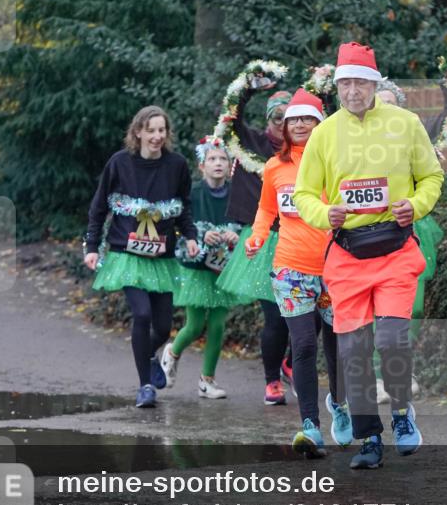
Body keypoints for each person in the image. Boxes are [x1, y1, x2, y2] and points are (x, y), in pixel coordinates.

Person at [294, 42, 444, 469]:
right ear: (337, 87)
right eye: (345, 84)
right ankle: (370, 440)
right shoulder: (324, 134)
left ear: (374, 85)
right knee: (354, 352)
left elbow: (431, 177)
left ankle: (402, 414)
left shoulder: (405, 123)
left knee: (392, 339)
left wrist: (415, 205)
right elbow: (304, 194)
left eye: (360, 82)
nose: (353, 91)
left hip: (395, 249)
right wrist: (325, 214)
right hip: (347, 255)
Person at [246, 89, 352, 458]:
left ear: (321, 124)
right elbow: (266, 209)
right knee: (304, 344)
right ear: (285, 126)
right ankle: (310, 426)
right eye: (294, 119)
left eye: (308, 118)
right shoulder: (275, 167)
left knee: (336, 346)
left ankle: (338, 402)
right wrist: (258, 237)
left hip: (334, 267)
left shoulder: (336, 163)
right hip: (291, 269)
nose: (301, 124)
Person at [84, 106, 198, 408]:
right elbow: (99, 207)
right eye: (151, 131)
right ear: (138, 132)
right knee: (142, 314)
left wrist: (190, 236)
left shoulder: (176, 165)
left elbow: (184, 206)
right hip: (127, 254)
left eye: (162, 130)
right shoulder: (120, 163)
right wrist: (92, 246)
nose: (157, 136)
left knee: (162, 327)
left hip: (161, 257)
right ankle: (144, 386)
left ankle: (148, 355)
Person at [371, 69, 447, 403]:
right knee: (380, 309)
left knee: (414, 306)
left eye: (392, 103)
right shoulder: (357, 144)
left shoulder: (416, 137)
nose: (387, 109)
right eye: (380, 103)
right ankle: (377, 374)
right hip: (373, 230)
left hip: (413, 228)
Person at [216, 86, 296, 405]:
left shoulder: (306, 147)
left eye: (288, 117)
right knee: (276, 317)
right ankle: (272, 381)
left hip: (301, 239)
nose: (282, 123)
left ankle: (291, 362)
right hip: (265, 242)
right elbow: (231, 120)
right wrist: (247, 87)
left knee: (313, 314)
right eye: (276, 116)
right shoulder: (253, 143)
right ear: (268, 118)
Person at [159, 136, 249, 399]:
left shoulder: (237, 193)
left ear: (230, 166)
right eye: (212, 159)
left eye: (223, 159)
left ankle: (206, 380)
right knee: (195, 325)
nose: (217, 163)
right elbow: (178, 223)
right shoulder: (193, 193)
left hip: (223, 268)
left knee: (218, 325)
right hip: (197, 266)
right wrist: (199, 234)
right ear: (202, 166)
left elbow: (248, 222)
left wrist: (236, 234)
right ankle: (173, 351)